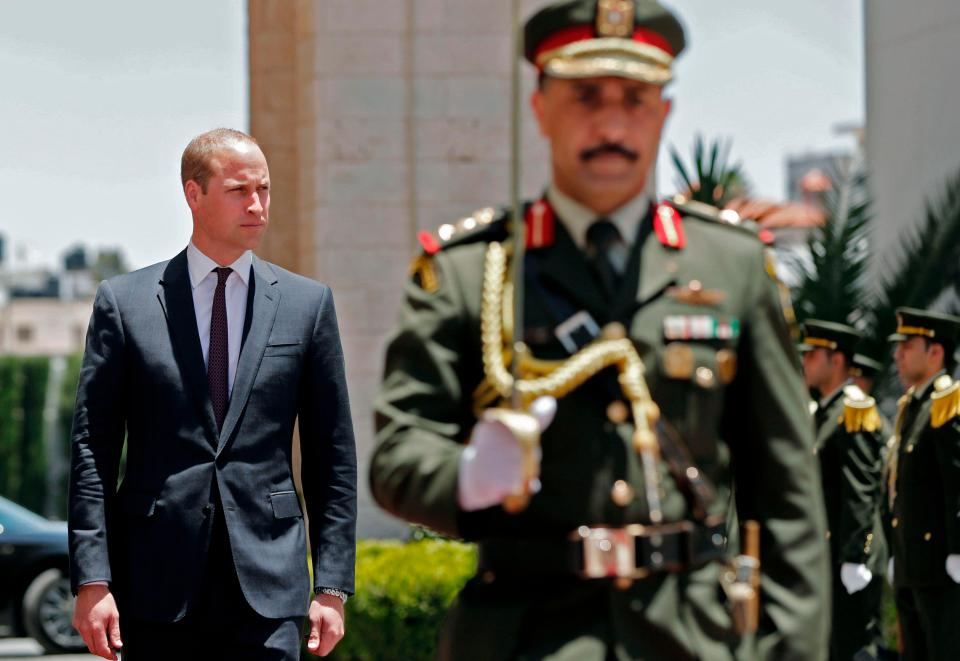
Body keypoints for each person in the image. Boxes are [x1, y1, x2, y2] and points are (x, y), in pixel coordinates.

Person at [370, 1, 830, 659]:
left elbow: (787, 494)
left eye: (635, 98)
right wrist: (465, 477)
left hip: (693, 633)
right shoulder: (475, 270)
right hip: (525, 633)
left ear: (664, 112)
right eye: (585, 96)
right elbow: (397, 451)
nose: (611, 122)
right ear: (541, 108)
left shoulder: (732, 267)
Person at [68, 128, 357, 661]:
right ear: (193, 194)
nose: (257, 205)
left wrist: (333, 585)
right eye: (239, 190)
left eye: (264, 190)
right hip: (155, 588)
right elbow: (93, 450)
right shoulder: (124, 303)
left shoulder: (307, 305)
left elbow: (332, 454)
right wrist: (93, 579)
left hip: (270, 590)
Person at [800, 320, 887, 660]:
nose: (804, 362)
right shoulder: (825, 412)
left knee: (853, 650)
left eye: (812, 355)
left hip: (848, 557)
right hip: (829, 553)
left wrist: (856, 556)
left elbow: (861, 491)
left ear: (836, 361)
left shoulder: (853, 411)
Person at [885, 307, 960, 660]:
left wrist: (958, 549)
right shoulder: (913, 406)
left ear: (935, 352)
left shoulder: (948, 404)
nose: (898, 355)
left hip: (940, 566)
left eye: (908, 345)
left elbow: (957, 481)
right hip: (910, 563)